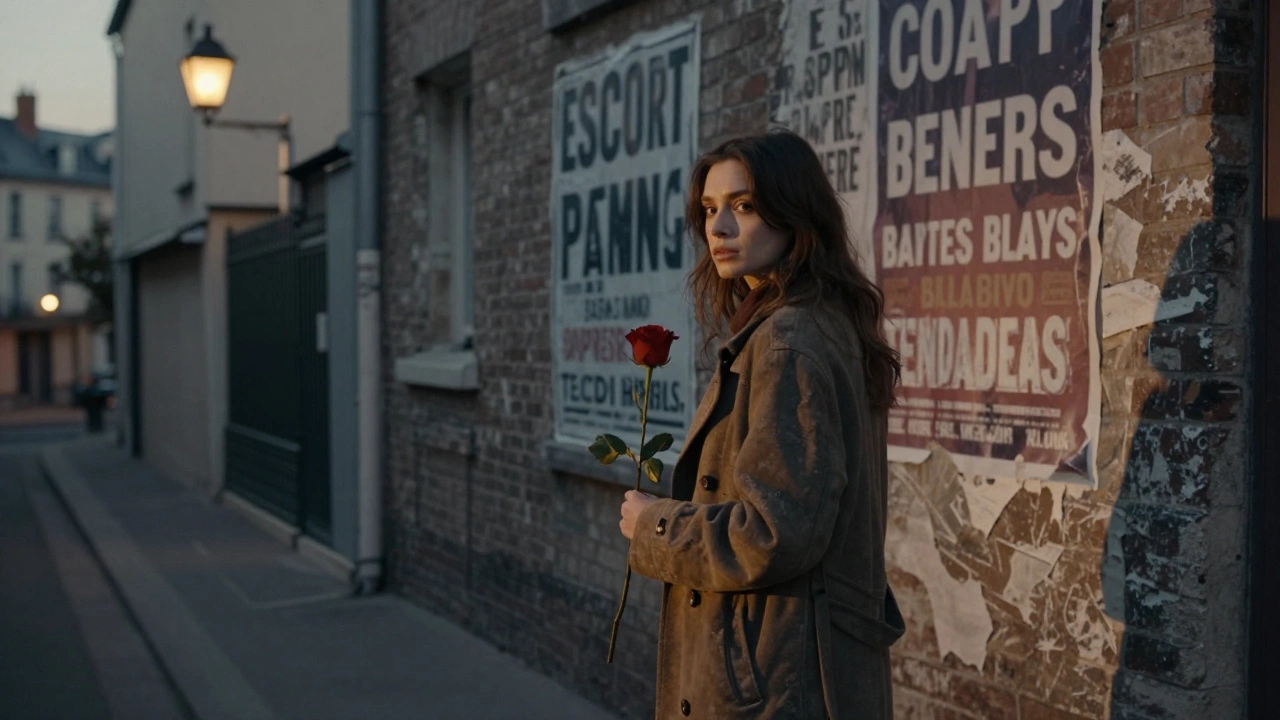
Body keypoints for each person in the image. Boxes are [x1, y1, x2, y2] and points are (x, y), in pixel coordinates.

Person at [618, 130, 905, 719]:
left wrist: (657, 526)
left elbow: (775, 533)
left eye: (743, 206)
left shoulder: (788, 339)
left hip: (779, 676)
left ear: (795, 212)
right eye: (709, 209)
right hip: (804, 663)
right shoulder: (827, 322)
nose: (717, 229)